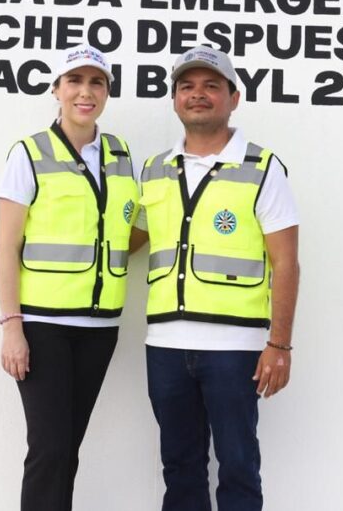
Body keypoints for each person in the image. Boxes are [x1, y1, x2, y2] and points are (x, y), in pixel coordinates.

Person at [136, 45, 300, 511]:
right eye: (187, 86)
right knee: (180, 468)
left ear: (234, 97)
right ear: (174, 101)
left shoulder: (262, 168)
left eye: (211, 86)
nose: (198, 95)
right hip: (165, 346)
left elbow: (286, 262)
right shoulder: (154, 169)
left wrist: (280, 344)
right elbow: (131, 240)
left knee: (239, 468)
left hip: (236, 351)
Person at [0, 44, 142, 511]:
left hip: (100, 329)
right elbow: (6, 246)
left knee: (67, 451)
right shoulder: (29, 153)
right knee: (50, 451)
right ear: (56, 90)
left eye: (96, 83)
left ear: (107, 92)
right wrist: (12, 326)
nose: (86, 92)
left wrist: (110, 256)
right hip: (43, 327)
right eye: (75, 82)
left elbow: (129, 228)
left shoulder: (119, 153)